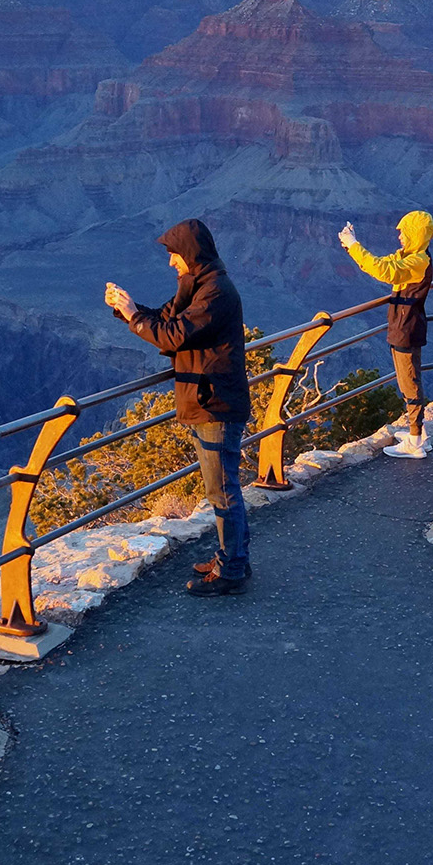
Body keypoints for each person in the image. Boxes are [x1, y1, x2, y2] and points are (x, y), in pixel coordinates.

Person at [105, 219, 252, 596]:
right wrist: (128, 309)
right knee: (221, 489)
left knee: (223, 491)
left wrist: (135, 315)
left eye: (174, 255)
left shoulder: (216, 292)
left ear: (189, 254)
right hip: (209, 399)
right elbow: (167, 320)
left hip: (215, 402)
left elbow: (173, 336)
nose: (171, 263)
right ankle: (231, 558)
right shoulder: (197, 286)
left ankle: (232, 570)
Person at [340, 211, 433, 458]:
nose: (399, 236)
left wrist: (354, 245)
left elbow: (385, 271)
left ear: (415, 234)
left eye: (404, 232)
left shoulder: (418, 262)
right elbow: (382, 262)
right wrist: (354, 245)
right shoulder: (411, 256)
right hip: (403, 326)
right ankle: (418, 431)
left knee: (409, 381)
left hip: (406, 328)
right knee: (407, 379)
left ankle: (415, 440)